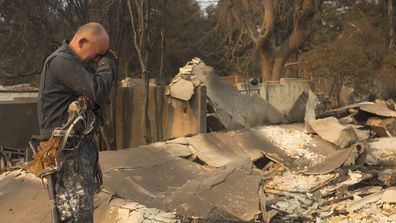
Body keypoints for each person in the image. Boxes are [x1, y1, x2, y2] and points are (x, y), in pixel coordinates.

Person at [37, 22, 116, 222]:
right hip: (68, 155)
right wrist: (108, 62)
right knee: (75, 218)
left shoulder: (77, 65)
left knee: (81, 216)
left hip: (78, 151)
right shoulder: (61, 62)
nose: (97, 60)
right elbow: (98, 91)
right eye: (98, 54)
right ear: (82, 42)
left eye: (101, 57)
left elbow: (103, 97)